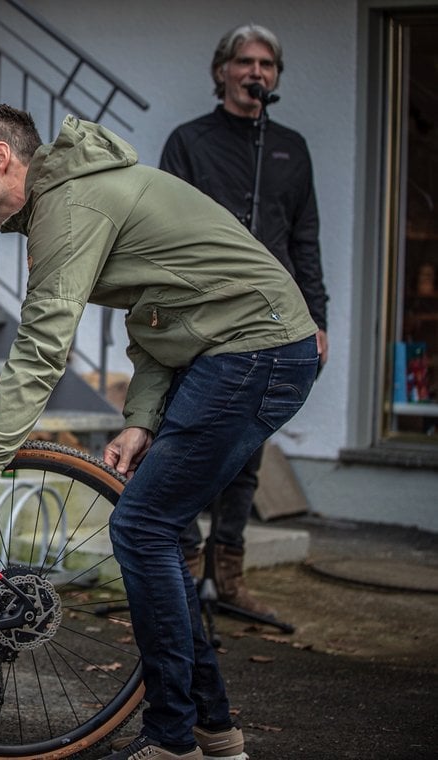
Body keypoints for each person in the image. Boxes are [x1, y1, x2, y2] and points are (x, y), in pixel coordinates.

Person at [0, 104, 318, 760]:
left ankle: (172, 738)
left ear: (1, 160)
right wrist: (141, 419)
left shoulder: (72, 207)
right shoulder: (68, 204)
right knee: (158, 531)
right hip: (238, 349)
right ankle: (212, 731)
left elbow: (41, 349)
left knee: (143, 528)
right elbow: (161, 310)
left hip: (255, 349)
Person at [160, 23, 328, 618]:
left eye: (268, 65)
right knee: (188, 439)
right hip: (205, 316)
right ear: (222, 70)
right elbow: (166, 229)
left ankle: (228, 575)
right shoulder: (189, 142)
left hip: (275, 318)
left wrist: (317, 317)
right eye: (245, 61)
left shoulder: (290, 148)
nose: (257, 72)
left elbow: (305, 239)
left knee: (247, 450)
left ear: (275, 76)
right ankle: (181, 561)